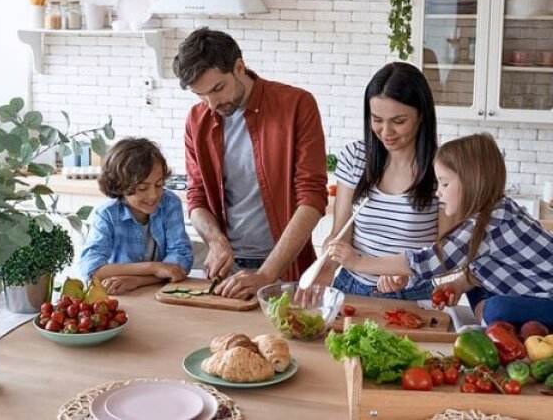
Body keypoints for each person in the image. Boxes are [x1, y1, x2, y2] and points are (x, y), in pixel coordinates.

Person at [330, 133, 553, 327]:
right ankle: (493, 319)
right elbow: (489, 265)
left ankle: (491, 319)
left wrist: (358, 262)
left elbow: (431, 260)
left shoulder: (486, 224)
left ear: (471, 183)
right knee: (474, 284)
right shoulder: (497, 209)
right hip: (532, 289)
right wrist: (458, 284)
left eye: (444, 184)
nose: (438, 193)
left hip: (547, 297)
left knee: (496, 309)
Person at [173, 27, 328, 299]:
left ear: (239, 67)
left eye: (218, 88)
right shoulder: (197, 120)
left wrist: (266, 275)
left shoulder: (297, 105)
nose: (212, 104)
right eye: (201, 95)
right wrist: (215, 240)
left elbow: (312, 199)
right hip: (226, 273)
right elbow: (196, 197)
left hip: (284, 269)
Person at [319, 62, 445, 300]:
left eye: (398, 121)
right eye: (377, 119)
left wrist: (407, 274)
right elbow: (340, 234)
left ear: (421, 116)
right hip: (350, 288)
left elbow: (444, 252)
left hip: (412, 296)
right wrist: (325, 266)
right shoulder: (356, 158)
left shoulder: (442, 169)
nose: (386, 131)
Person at [79, 137, 193, 294]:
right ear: (120, 186)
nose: (153, 195)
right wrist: (154, 267)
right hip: (120, 297)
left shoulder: (170, 203)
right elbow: (91, 270)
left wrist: (138, 281)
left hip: (161, 294)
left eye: (159, 184)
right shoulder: (107, 215)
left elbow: (181, 262)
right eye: (142, 188)